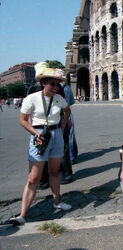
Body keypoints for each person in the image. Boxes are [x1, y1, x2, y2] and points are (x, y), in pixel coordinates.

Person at [9, 63, 72, 226]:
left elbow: (67, 111)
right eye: (53, 84)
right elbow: (22, 120)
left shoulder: (59, 99)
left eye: (58, 84)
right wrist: (35, 133)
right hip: (39, 136)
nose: (56, 87)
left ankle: (57, 201)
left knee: (54, 172)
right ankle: (22, 215)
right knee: (33, 178)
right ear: (43, 83)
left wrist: (62, 126)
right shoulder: (32, 98)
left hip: (56, 135)